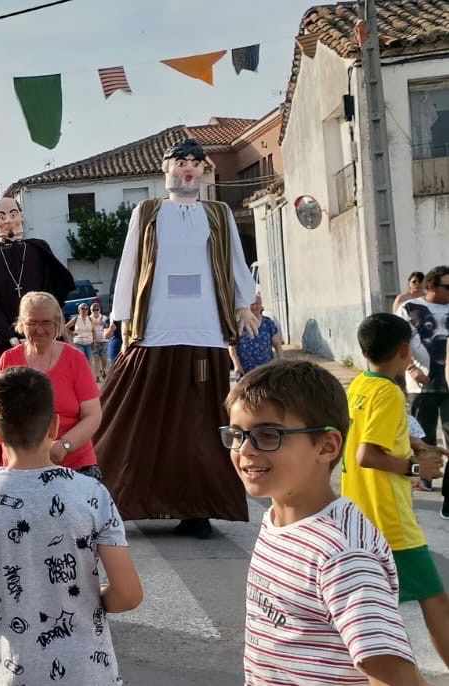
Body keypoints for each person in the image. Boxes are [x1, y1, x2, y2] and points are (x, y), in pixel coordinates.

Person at [94, 138, 259, 539]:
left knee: (200, 424)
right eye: (180, 161)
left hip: (204, 330)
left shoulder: (218, 213)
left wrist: (243, 304)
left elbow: (236, 262)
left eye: (195, 163)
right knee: (133, 416)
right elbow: (130, 263)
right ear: (165, 168)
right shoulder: (148, 211)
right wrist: (121, 317)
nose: (188, 168)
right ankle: (108, 500)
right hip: (155, 329)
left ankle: (197, 509)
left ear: (203, 170)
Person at [224, 360, 425, 685]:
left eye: (268, 434)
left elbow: (397, 677)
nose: (244, 449)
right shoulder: (277, 519)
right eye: (237, 434)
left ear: (327, 446)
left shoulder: (342, 554)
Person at [0, 367, 142, 686]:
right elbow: (128, 594)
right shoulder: (92, 493)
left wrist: (5, 604)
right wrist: (84, 604)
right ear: (54, 425)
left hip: (18, 673)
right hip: (90, 673)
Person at [342, 313, 449, 668]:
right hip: (391, 521)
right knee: (436, 602)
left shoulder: (360, 385)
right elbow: (368, 455)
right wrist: (418, 468)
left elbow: (374, 432)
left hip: (360, 516)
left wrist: (417, 444)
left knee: (372, 606)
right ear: (405, 351)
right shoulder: (389, 392)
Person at [0, 292, 103, 481]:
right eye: (32, 323)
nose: (39, 330)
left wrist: (64, 445)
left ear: (57, 324)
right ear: (21, 325)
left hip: (74, 468)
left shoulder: (75, 360)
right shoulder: (9, 359)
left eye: (46, 322)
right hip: (18, 471)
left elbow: (93, 415)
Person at [0, 197, 76, 365]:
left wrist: (40, 331)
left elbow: (50, 294)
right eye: (1, 216)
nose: (8, 221)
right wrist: (10, 337)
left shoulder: (38, 249)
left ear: (21, 216)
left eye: (13, 214)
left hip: (43, 336)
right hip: (6, 340)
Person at [397, 265, 449, 518]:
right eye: (447, 286)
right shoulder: (409, 309)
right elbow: (399, 341)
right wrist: (411, 368)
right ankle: (424, 479)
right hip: (422, 386)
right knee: (423, 439)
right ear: (431, 287)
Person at [229, 294, 284, 379]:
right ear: (247, 306)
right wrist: (237, 365)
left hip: (266, 369)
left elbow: (276, 343)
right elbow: (231, 346)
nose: (255, 306)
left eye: (257, 303)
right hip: (245, 370)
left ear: (261, 306)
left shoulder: (268, 323)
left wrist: (281, 359)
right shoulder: (238, 324)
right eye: (252, 304)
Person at [90, 303, 109, 379]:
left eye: (97, 309)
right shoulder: (89, 319)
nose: (95, 311)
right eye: (93, 310)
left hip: (103, 340)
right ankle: (97, 376)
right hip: (94, 341)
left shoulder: (104, 318)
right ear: (91, 310)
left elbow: (108, 328)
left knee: (104, 358)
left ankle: (102, 370)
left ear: (100, 310)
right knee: (96, 359)